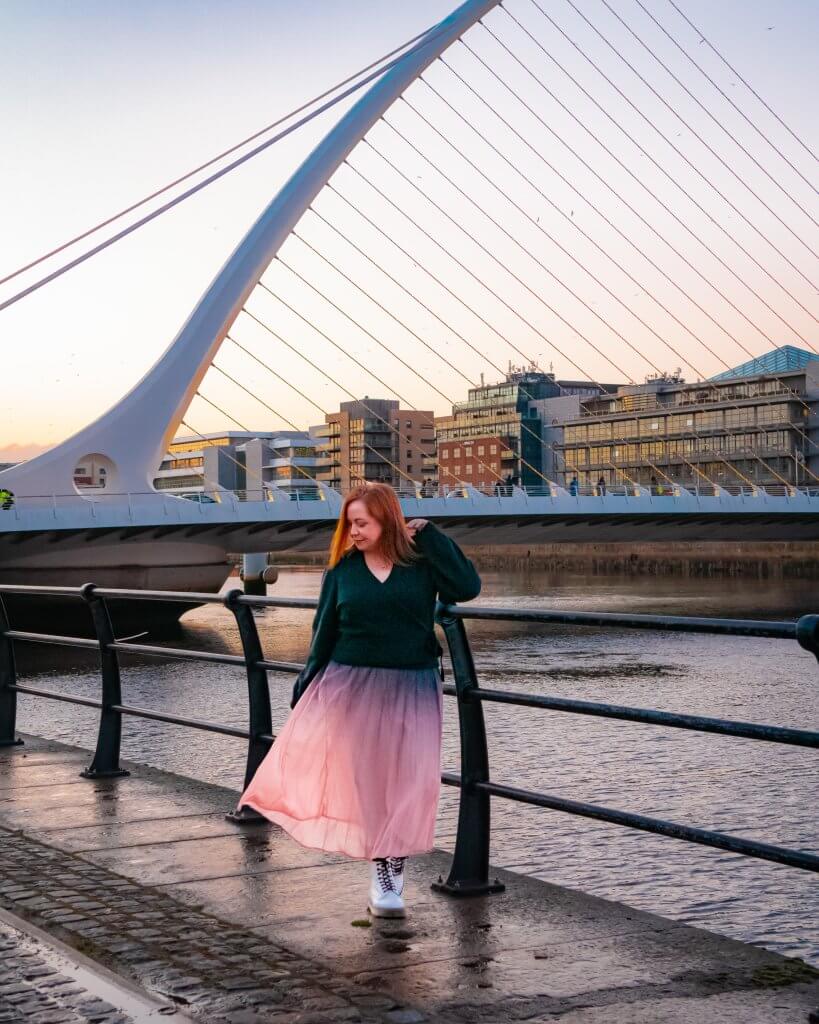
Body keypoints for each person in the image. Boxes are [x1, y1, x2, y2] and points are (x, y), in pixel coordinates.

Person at [238, 482, 481, 919]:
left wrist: (430, 534)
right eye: (349, 523)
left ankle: (392, 866)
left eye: (362, 522)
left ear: (387, 520)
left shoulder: (421, 565)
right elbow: (323, 632)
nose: (353, 531)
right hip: (350, 686)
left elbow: (466, 587)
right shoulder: (342, 573)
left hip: (412, 684)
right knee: (369, 780)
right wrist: (307, 682)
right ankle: (382, 870)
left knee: (407, 781)